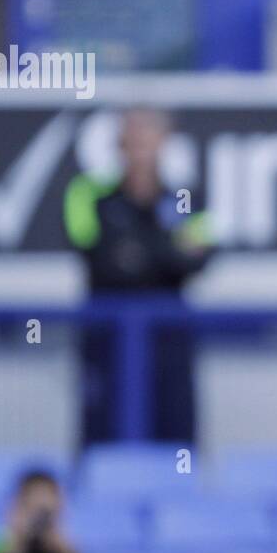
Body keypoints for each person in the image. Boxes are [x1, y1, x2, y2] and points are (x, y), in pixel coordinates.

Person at [63, 107, 212, 442]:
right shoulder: (87, 195)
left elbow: (198, 261)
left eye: (150, 140)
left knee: (175, 440)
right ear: (119, 146)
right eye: (134, 141)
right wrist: (168, 249)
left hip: (170, 346)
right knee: (102, 438)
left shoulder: (187, 199)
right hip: (106, 344)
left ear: (165, 143)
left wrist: (137, 251)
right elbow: (100, 260)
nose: (142, 151)